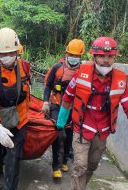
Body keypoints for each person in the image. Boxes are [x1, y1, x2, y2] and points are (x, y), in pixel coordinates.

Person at [56, 36, 128, 190]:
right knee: (80, 165)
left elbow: (127, 104)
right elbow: (68, 95)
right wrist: (61, 120)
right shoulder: (81, 73)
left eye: (110, 57)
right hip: (82, 127)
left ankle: (80, 185)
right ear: (94, 56)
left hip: (102, 131)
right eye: (101, 56)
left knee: (92, 165)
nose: (105, 60)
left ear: (114, 57)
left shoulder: (121, 80)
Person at [0, 27, 30, 190]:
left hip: (18, 119)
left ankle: (10, 187)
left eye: (11, 53)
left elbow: (26, 94)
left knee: (13, 157)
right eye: (2, 54)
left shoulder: (25, 67)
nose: (6, 57)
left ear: (17, 51)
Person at [42, 39, 85, 178]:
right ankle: (56, 165)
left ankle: (65, 159)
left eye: (77, 56)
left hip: (74, 108)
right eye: (71, 54)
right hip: (56, 104)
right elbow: (48, 85)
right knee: (58, 134)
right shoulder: (57, 68)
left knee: (69, 135)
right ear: (66, 53)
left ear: (81, 56)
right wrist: (45, 102)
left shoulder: (84, 71)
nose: (74, 58)